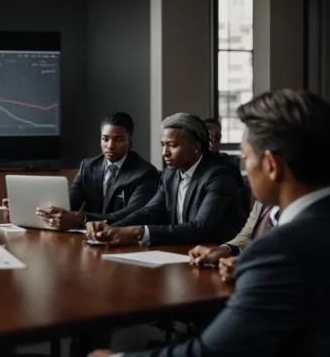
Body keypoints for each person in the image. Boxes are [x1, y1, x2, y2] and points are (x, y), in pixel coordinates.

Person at [91, 89, 330, 357]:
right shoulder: (294, 243)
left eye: (245, 156)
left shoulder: (278, 251)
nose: (243, 167)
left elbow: (210, 352)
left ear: (271, 166)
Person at [85, 113, 244, 246]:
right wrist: (109, 227)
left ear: (196, 147)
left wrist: (139, 232)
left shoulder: (219, 177)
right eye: (163, 145)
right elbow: (150, 211)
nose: (165, 152)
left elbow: (199, 228)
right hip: (183, 253)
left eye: (172, 145)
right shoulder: (170, 175)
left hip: (218, 258)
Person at [36, 112, 159, 230]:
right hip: (87, 236)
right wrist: (51, 212)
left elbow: (132, 214)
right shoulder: (88, 166)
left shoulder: (145, 173)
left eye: (118, 139)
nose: (110, 145)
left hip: (123, 239)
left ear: (130, 142)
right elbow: (69, 202)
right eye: (105, 139)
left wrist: (82, 218)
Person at [189, 200, 278, 283]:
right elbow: (247, 234)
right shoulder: (262, 200)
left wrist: (249, 266)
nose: (247, 183)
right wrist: (227, 249)